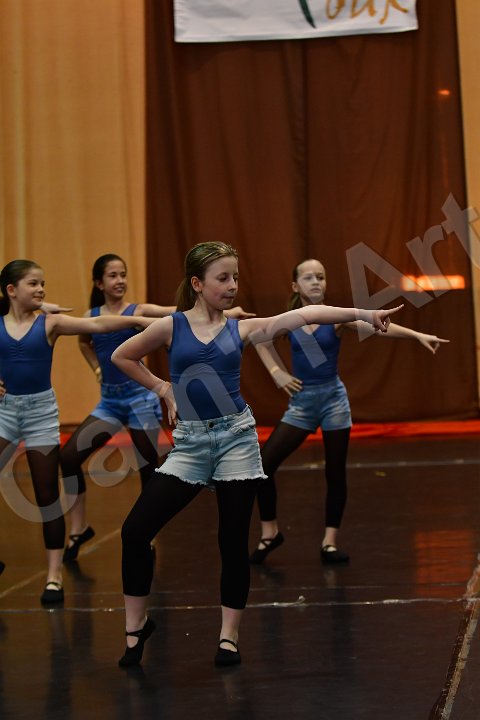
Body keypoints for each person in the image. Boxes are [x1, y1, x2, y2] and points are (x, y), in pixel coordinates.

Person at [110, 241, 402, 668]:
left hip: (236, 442)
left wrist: (363, 314)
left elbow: (308, 315)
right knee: (135, 532)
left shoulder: (241, 329)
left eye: (235, 277)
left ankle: (228, 637)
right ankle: (136, 628)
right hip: (191, 444)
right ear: (197, 283)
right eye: (222, 278)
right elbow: (122, 355)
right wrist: (162, 388)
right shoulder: (171, 326)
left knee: (231, 541)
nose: (232, 286)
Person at [250, 258, 448, 566]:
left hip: (334, 402)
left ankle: (329, 542)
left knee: (335, 471)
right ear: (295, 286)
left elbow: (378, 326)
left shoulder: (335, 318)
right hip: (301, 405)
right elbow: (258, 338)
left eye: (321, 276)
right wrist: (277, 372)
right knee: (263, 466)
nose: (316, 282)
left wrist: (416, 335)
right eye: (308, 277)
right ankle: (270, 533)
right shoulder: (289, 319)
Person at [60, 253, 254, 562]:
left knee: (148, 466)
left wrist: (229, 313)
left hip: (140, 399)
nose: (120, 280)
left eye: (123, 274)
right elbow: (84, 340)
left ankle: (146, 532)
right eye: (112, 275)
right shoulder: (92, 315)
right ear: (99, 283)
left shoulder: (140, 310)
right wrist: (95, 366)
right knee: (69, 457)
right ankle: (79, 526)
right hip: (109, 401)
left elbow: (179, 312)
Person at [0, 259, 153, 604]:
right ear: (11, 290)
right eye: (33, 284)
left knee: (46, 495)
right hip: (5, 412)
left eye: (43, 284)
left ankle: (54, 576)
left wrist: (140, 321)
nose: (41, 289)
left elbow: (96, 324)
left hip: (40, 415)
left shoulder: (50, 323)